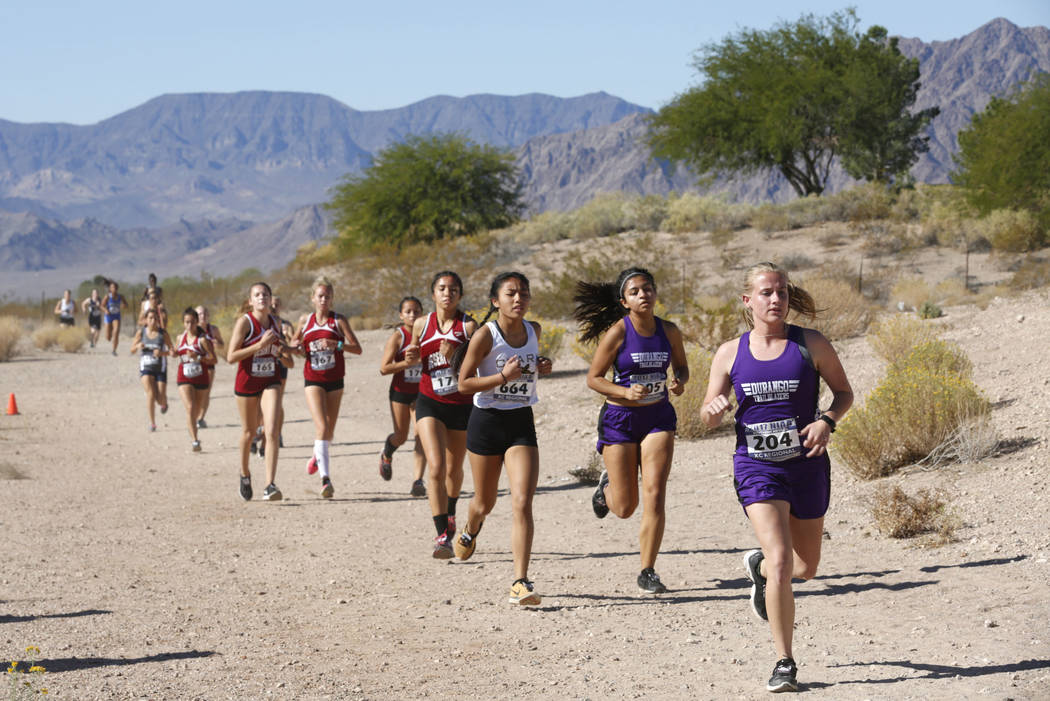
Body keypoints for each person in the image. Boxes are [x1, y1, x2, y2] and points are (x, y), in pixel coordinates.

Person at [700, 262, 853, 693]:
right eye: (766, 293)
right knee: (785, 562)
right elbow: (709, 410)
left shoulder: (811, 344)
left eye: (782, 292)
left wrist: (827, 420)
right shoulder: (730, 352)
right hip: (756, 467)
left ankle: (759, 568)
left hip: (807, 463)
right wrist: (711, 410)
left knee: (806, 567)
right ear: (748, 301)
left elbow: (844, 393)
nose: (776, 300)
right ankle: (785, 661)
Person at [573, 267, 689, 594]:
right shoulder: (618, 332)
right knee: (624, 508)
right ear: (624, 301)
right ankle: (605, 488)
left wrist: (680, 379)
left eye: (648, 289)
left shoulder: (669, 331)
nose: (643, 295)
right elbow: (593, 378)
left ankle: (647, 570)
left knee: (655, 492)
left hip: (657, 418)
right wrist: (625, 392)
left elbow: (681, 365)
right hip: (620, 419)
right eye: (635, 291)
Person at [452, 272, 553, 606]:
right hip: (486, 422)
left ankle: (520, 581)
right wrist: (500, 377)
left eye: (524, 293)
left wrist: (541, 365)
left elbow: (530, 365)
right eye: (511, 293)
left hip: (521, 421)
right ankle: (470, 527)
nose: (518, 299)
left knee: (522, 500)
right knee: (485, 502)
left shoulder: (534, 331)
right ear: (496, 301)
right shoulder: (485, 335)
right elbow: (463, 383)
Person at [412, 271, 477, 558]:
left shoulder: (469, 327)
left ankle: (450, 510)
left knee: (454, 470)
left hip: (462, 405)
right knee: (436, 468)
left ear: (460, 295)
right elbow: (414, 359)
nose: (447, 293)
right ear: (433, 294)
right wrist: (411, 359)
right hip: (429, 401)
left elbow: (477, 369)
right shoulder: (421, 324)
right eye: (441, 288)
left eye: (453, 289)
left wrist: (454, 357)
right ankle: (442, 537)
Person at [292, 277, 362, 499]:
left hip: (335, 379)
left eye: (328, 296)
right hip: (313, 379)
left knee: (329, 430)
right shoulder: (305, 321)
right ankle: (326, 479)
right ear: (313, 298)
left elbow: (357, 348)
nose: (324, 299)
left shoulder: (338, 321)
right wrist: (296, 348)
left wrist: (337, 344)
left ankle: (316, 455)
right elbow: (296, 346)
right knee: (322, 426)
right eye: (320, 296)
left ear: (332, 299)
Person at [228, 282, 294, 502]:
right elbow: (231, 357)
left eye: (265, 294)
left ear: (270, 298)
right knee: (248, 432)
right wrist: (258, 346)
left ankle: (269, 485)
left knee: (271, 429)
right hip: (247, 383)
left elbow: (289, 362)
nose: (262, 298)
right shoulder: (244, 323)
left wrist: (281, 352)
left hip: (270, 380)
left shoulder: (276, 323)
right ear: (250, 301)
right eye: (257, 295)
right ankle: (244, 473)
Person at [378, 296, 427, 496]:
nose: (412, 315)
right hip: (400, 392)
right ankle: (387, 453)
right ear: (401, 315)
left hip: (422, 393)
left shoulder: (427, 334)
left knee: (421, 434)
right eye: (408, 312)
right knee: (401, 436)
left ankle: (418, 481)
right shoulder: (398, 337)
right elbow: (384, 368)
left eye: (416, 311)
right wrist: (406, 364)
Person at [174, 307, 216, 451]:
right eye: (186, 322)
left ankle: (193, 429)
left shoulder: (202, 340)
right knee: (191, 408)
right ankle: (195, 440)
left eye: (192, 322)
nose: (189, 326)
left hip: (201, 378)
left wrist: (198, 357)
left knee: (196, 410)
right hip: (184, 376)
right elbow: (175, 352)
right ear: (183, 323)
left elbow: (213, 359)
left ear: (197, 322)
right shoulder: (180, 338)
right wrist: (172, 352)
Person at [129, 308, 173, 432]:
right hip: (146, 366)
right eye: (150, 318)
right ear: (145, 320)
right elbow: (131, 350)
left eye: (155, 318)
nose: (152, 321)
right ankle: (152, 423)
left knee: (160, 398)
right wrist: (137, 346)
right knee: (150, 393)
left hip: (160, 368)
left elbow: (172, 351)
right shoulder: (141, 333)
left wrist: (162, 353)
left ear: (158, 320)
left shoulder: (163, 333)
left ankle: (164, 403)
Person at [194, 305, 225, 429]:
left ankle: (200, 418)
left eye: (205, 313)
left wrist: (218, 344)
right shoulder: (192, 329)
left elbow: (222, 344)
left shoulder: (213, 329)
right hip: (195, 364)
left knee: (206, 391)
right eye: (200, 314)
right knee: (195, 392)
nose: (203, 316)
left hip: (209, 363)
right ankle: (194, 415)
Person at [102, 281, 128, 355]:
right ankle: (110, 335)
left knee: (116, 331)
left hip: (116, 316)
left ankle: (114, 350)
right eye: (113, 287)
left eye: (115, 287)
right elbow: (101, 306)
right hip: (108, 316)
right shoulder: (107, 296)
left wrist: (124, 306)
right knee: (108, 337)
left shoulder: (120, 296)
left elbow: (126, 305)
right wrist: (106, 310)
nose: (114, 289)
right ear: (110, 289)